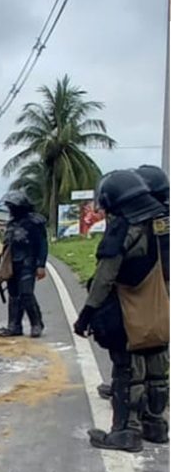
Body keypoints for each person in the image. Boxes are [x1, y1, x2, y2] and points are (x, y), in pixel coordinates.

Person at [74, 169, 169, 451]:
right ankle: (156, 426)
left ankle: (126, 431)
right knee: (156, 368)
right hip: (161, 305)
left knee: (127, 371)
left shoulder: (125, 228)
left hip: (129, 306)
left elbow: (105, 276)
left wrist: (86, 316)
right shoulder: (162, 223)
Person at [97, 165, 170, 401]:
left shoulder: (137, 225)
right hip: (161, 291)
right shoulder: (162, 221)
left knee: (134, 355)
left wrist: (89, 311)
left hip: (144, 292)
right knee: (157, 354)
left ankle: (129, 421)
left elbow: (109, 270)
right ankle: (155, 418)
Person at [0, 190, 48, 338]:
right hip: (13, 263)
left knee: (26, 293)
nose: (10, 209)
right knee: (13, 295)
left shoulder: (35, 222)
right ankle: (14, 326)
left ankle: (36, 324)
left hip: (28, 262)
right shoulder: (12, 223)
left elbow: (43, 244)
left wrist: (41, 265)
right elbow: (7, 246)